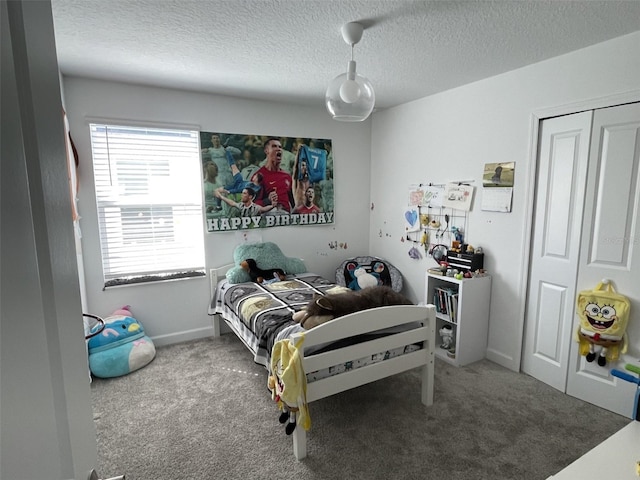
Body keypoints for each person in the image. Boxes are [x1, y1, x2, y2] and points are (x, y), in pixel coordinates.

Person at [255, 137, 294, 214]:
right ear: (266, 151)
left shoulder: (287, 176)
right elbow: (253, 204)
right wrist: (268, 201)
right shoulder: (259, 176)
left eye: (280, 147)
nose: (278, 149)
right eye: (274, 146)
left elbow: (294, 202)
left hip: (286, 217)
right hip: (269, 216)